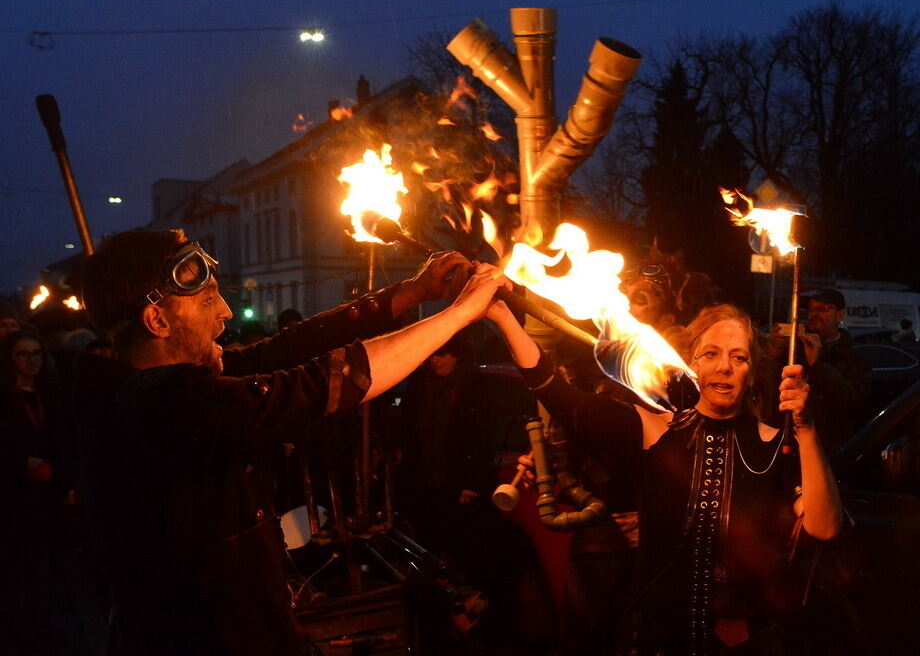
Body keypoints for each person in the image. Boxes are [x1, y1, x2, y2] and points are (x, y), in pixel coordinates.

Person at [72, 228, 507, 655]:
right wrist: (459, 315)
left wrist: (413, 291)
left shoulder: (163, 392)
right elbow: (317, 385)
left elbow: (288, 350)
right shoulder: (160, 407)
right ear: (157, 320)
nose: (225, 311)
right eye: (207, 300)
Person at [490, 300, 843, 654]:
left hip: (740, 643)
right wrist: (503, 317)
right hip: (654, 639)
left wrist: (806, 429)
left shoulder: (777, 445)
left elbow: (825, 526)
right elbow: (557, 392)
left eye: (739, 358)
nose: (724, 367)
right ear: (691, 363)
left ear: (750, 373)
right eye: (711, 354)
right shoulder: (653, 430)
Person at [0, 329, 82, 651]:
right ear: (9, 360)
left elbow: (66, 441)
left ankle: (47, 628)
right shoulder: (4, 398)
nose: (31, 360)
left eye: (36, 353)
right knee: (19, 567)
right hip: (14, 496)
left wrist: (70, 483)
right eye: (23, 354)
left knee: (50, 568)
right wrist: (20, 461)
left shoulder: (53, 394)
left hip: (50, 496)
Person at [772, 289, 872, 452]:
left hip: (829, 448)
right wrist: (774, 353)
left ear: (840, 315)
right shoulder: (794, 350)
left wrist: (817, 364)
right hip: (791, 445)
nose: (814, 314)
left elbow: (852, 399)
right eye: (811, 309)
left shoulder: (855, 356)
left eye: (823, 309)